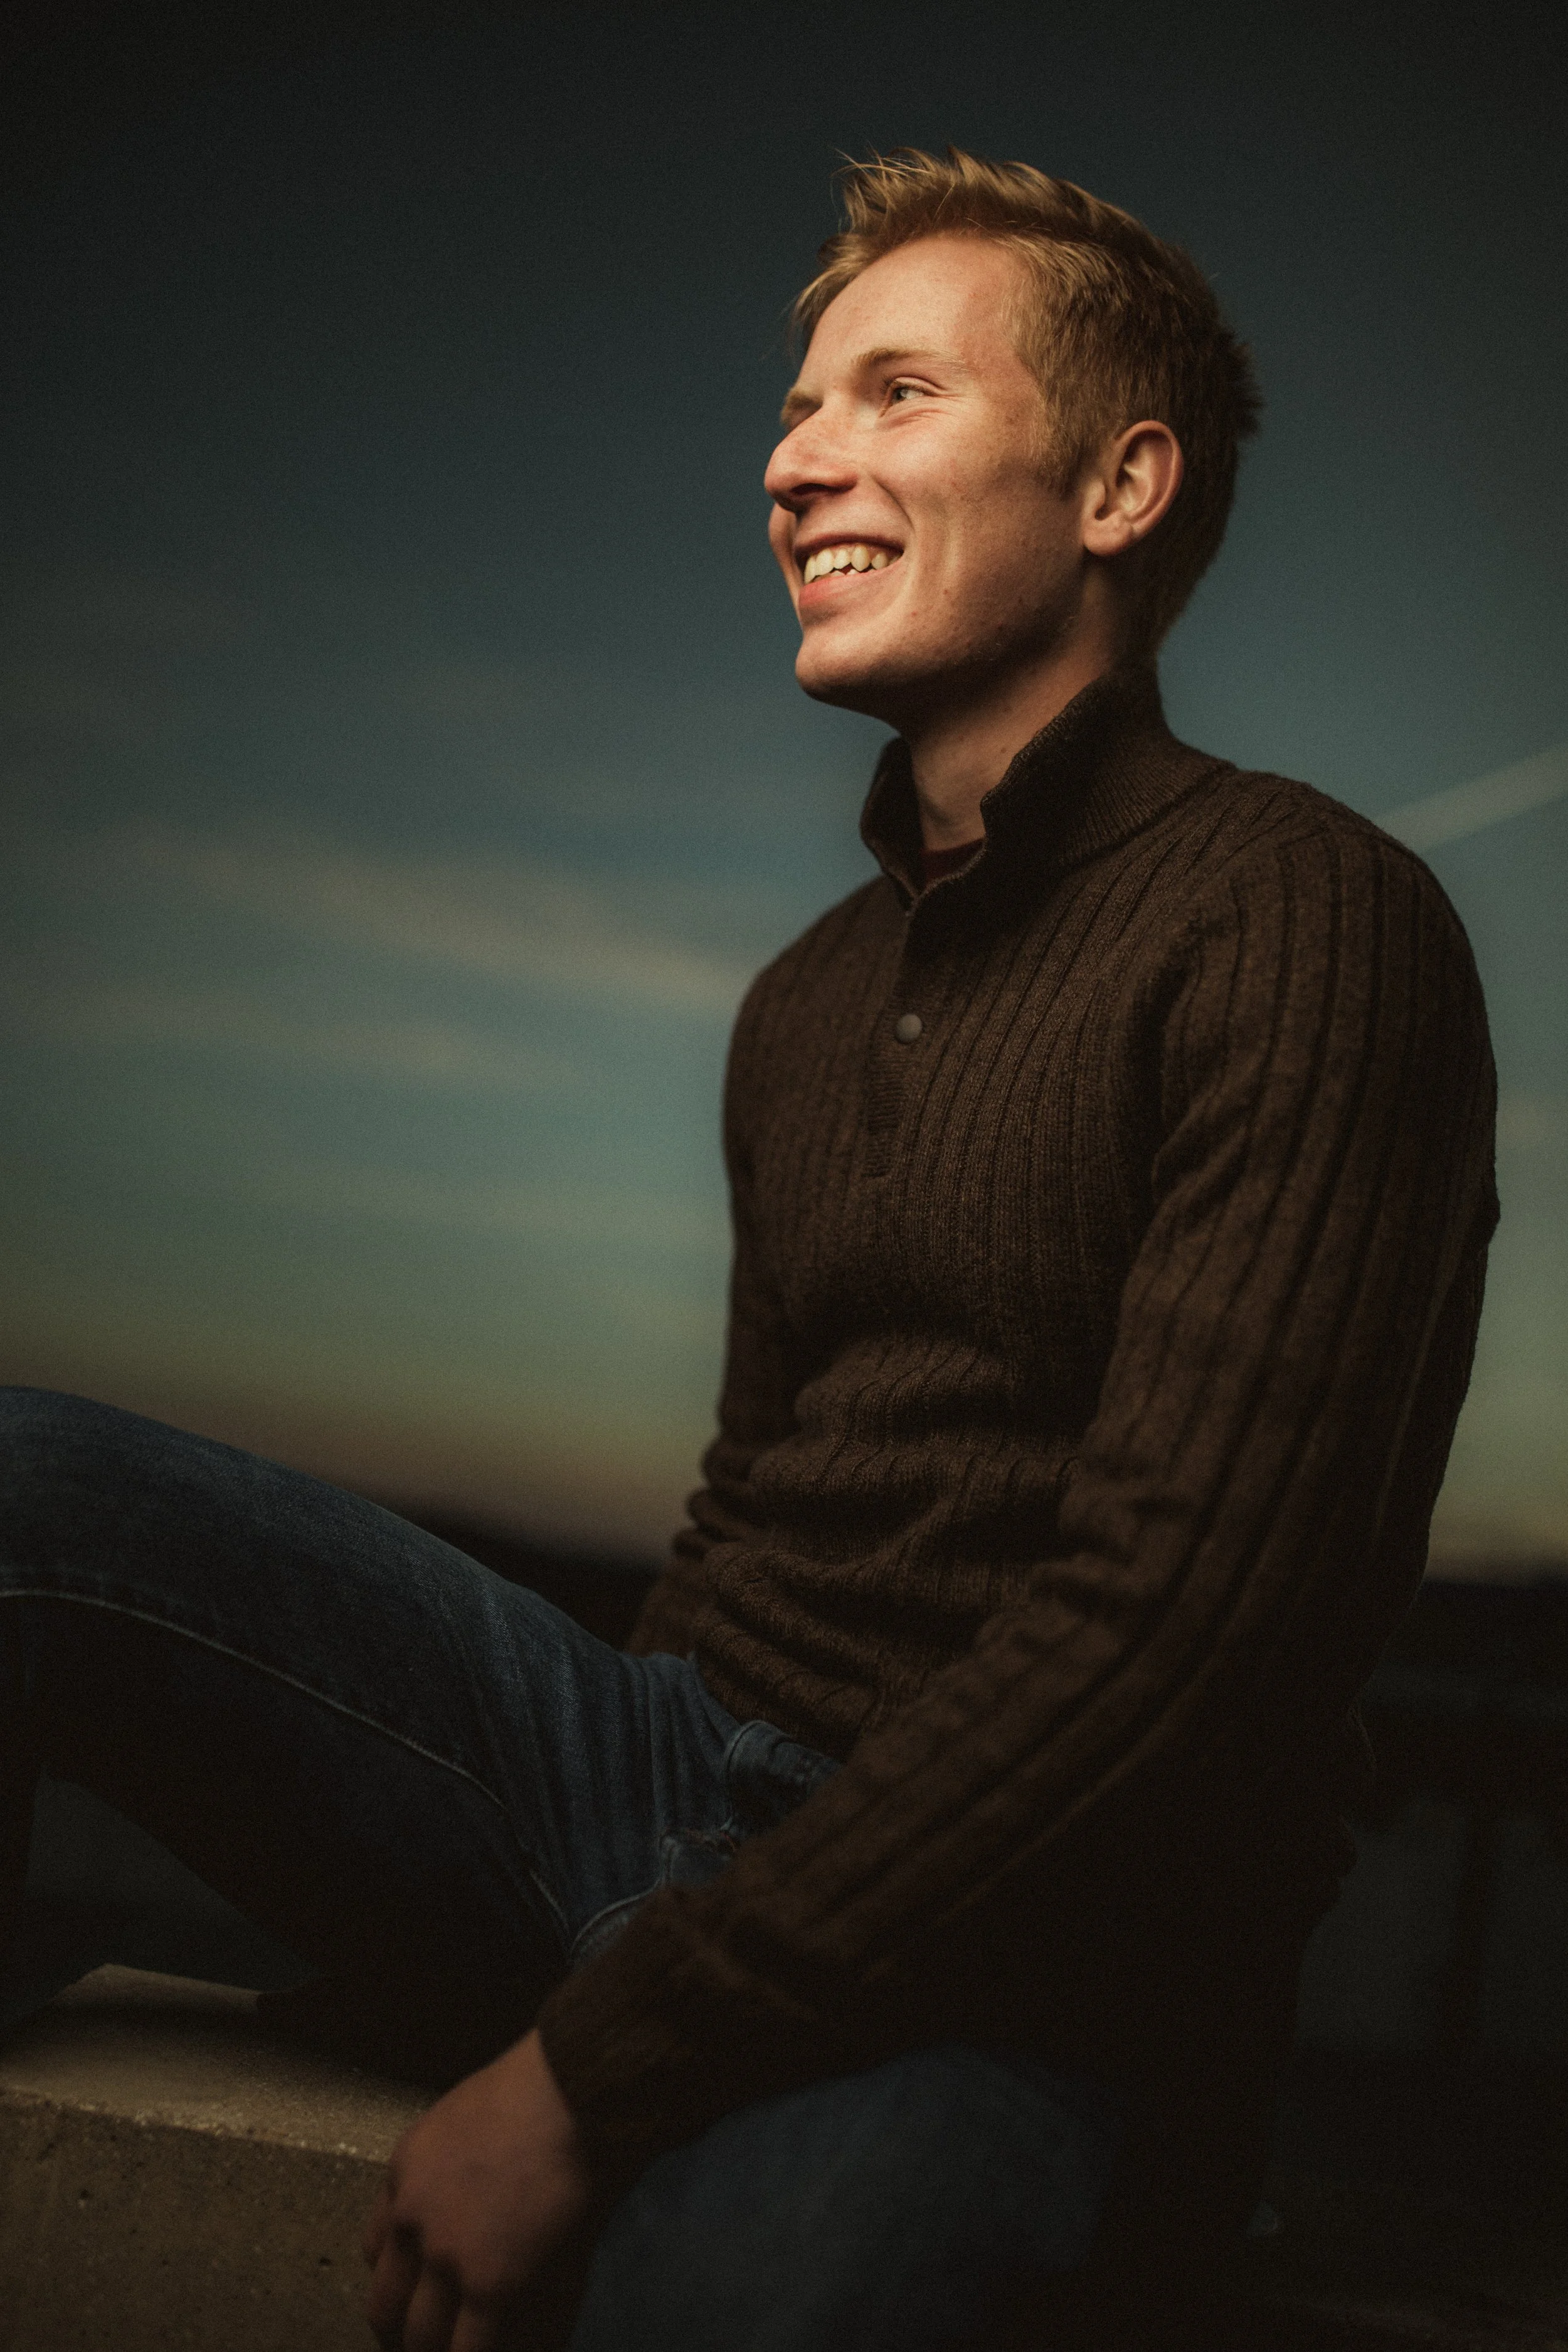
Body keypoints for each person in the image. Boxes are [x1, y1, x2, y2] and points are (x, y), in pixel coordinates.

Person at [0, 149, 1496, 2351]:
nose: (796, 462)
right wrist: (540, 1922)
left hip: (1050, 1939)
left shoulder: (1312, 919)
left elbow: (1178, 1645)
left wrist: (596, 2069)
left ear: (1120, 483)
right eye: (797, 412)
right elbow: (745, 1511)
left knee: (748, 2291)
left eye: (890, 395)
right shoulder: (805, 990)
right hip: (651, 1778)